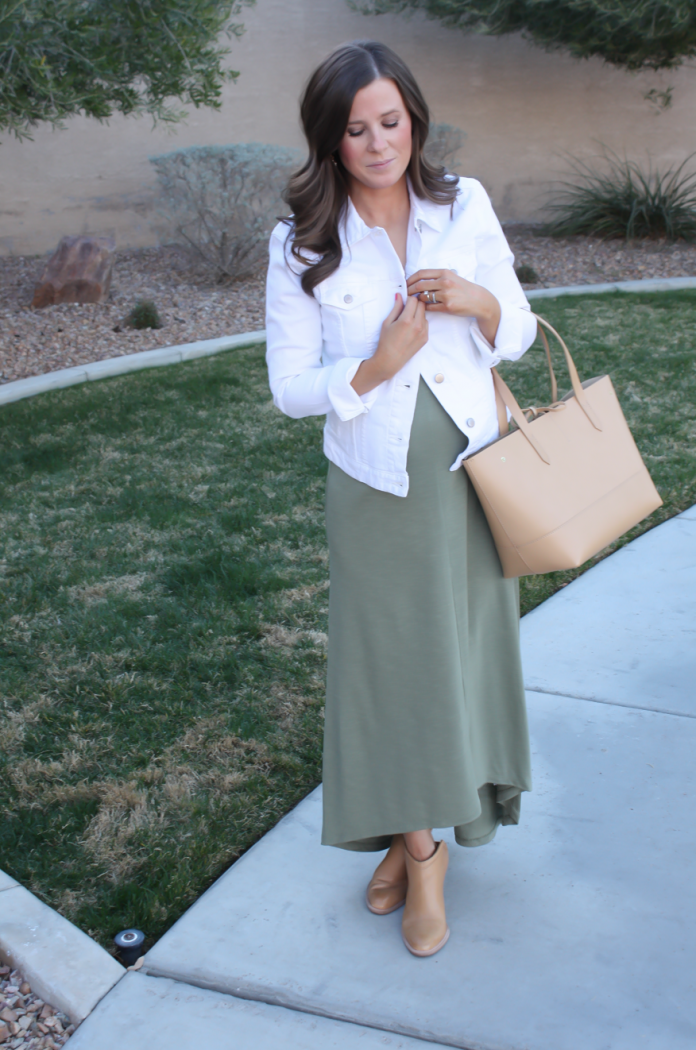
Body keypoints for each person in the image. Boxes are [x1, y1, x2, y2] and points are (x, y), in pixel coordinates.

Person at [265, 40, 536, 958]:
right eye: (356, 129)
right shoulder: (301, 240)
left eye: (391, 121)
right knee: (391, 668)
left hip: (468, 474)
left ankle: (416, 835)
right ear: (331, 140)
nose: (379, 142)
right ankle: (420, 852)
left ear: (412, 119)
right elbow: (290, 385)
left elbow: (523, 330)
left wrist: (479, 304)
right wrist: (374, 367)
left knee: (455, 657)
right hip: (376, 488)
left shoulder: (463, 206)